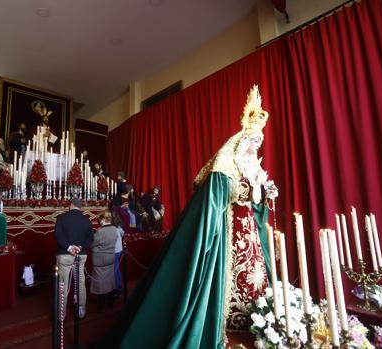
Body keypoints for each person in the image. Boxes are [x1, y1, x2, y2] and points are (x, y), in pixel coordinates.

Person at [96, 85, 277, 348]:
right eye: (253, 141)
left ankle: (256, 320)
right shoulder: (226, 163)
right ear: (243, 140)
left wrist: (262, 188)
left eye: (259, 143)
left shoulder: (252, 167)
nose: (256, 148)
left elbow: (256, 203)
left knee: (255, 280)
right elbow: (219, 194)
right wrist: (245, 186)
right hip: (227, 236)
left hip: (247, 234)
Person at [54, 197, 94, 320]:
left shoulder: (61, 218)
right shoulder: (86, 220)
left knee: (63, 285)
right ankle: (81, 309)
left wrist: (69, 247)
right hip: (80, 256)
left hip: (65, 256)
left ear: (71, 205)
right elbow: (90, 238)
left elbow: (58, 235)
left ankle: (61, 314)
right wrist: (80, 247)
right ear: (81, 207)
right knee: (80, 283)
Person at [91, 211, 119, 312]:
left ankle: (101, 305)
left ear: (103, 219)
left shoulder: (100, 231)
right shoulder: (115, 229)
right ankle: (111, 301)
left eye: (100, 219)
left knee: (100, 283)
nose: (99, 221)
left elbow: (92, 244)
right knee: (110, 280)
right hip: (110, 258)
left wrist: (95, 249)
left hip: (99, 260)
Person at [113, 213, 125, 294]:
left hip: (114, 251)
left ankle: (118, 287)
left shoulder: (114, 230)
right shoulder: (119, 229)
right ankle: (119, 286)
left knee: (115, 270)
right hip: (118, 251)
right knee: (116, 269)